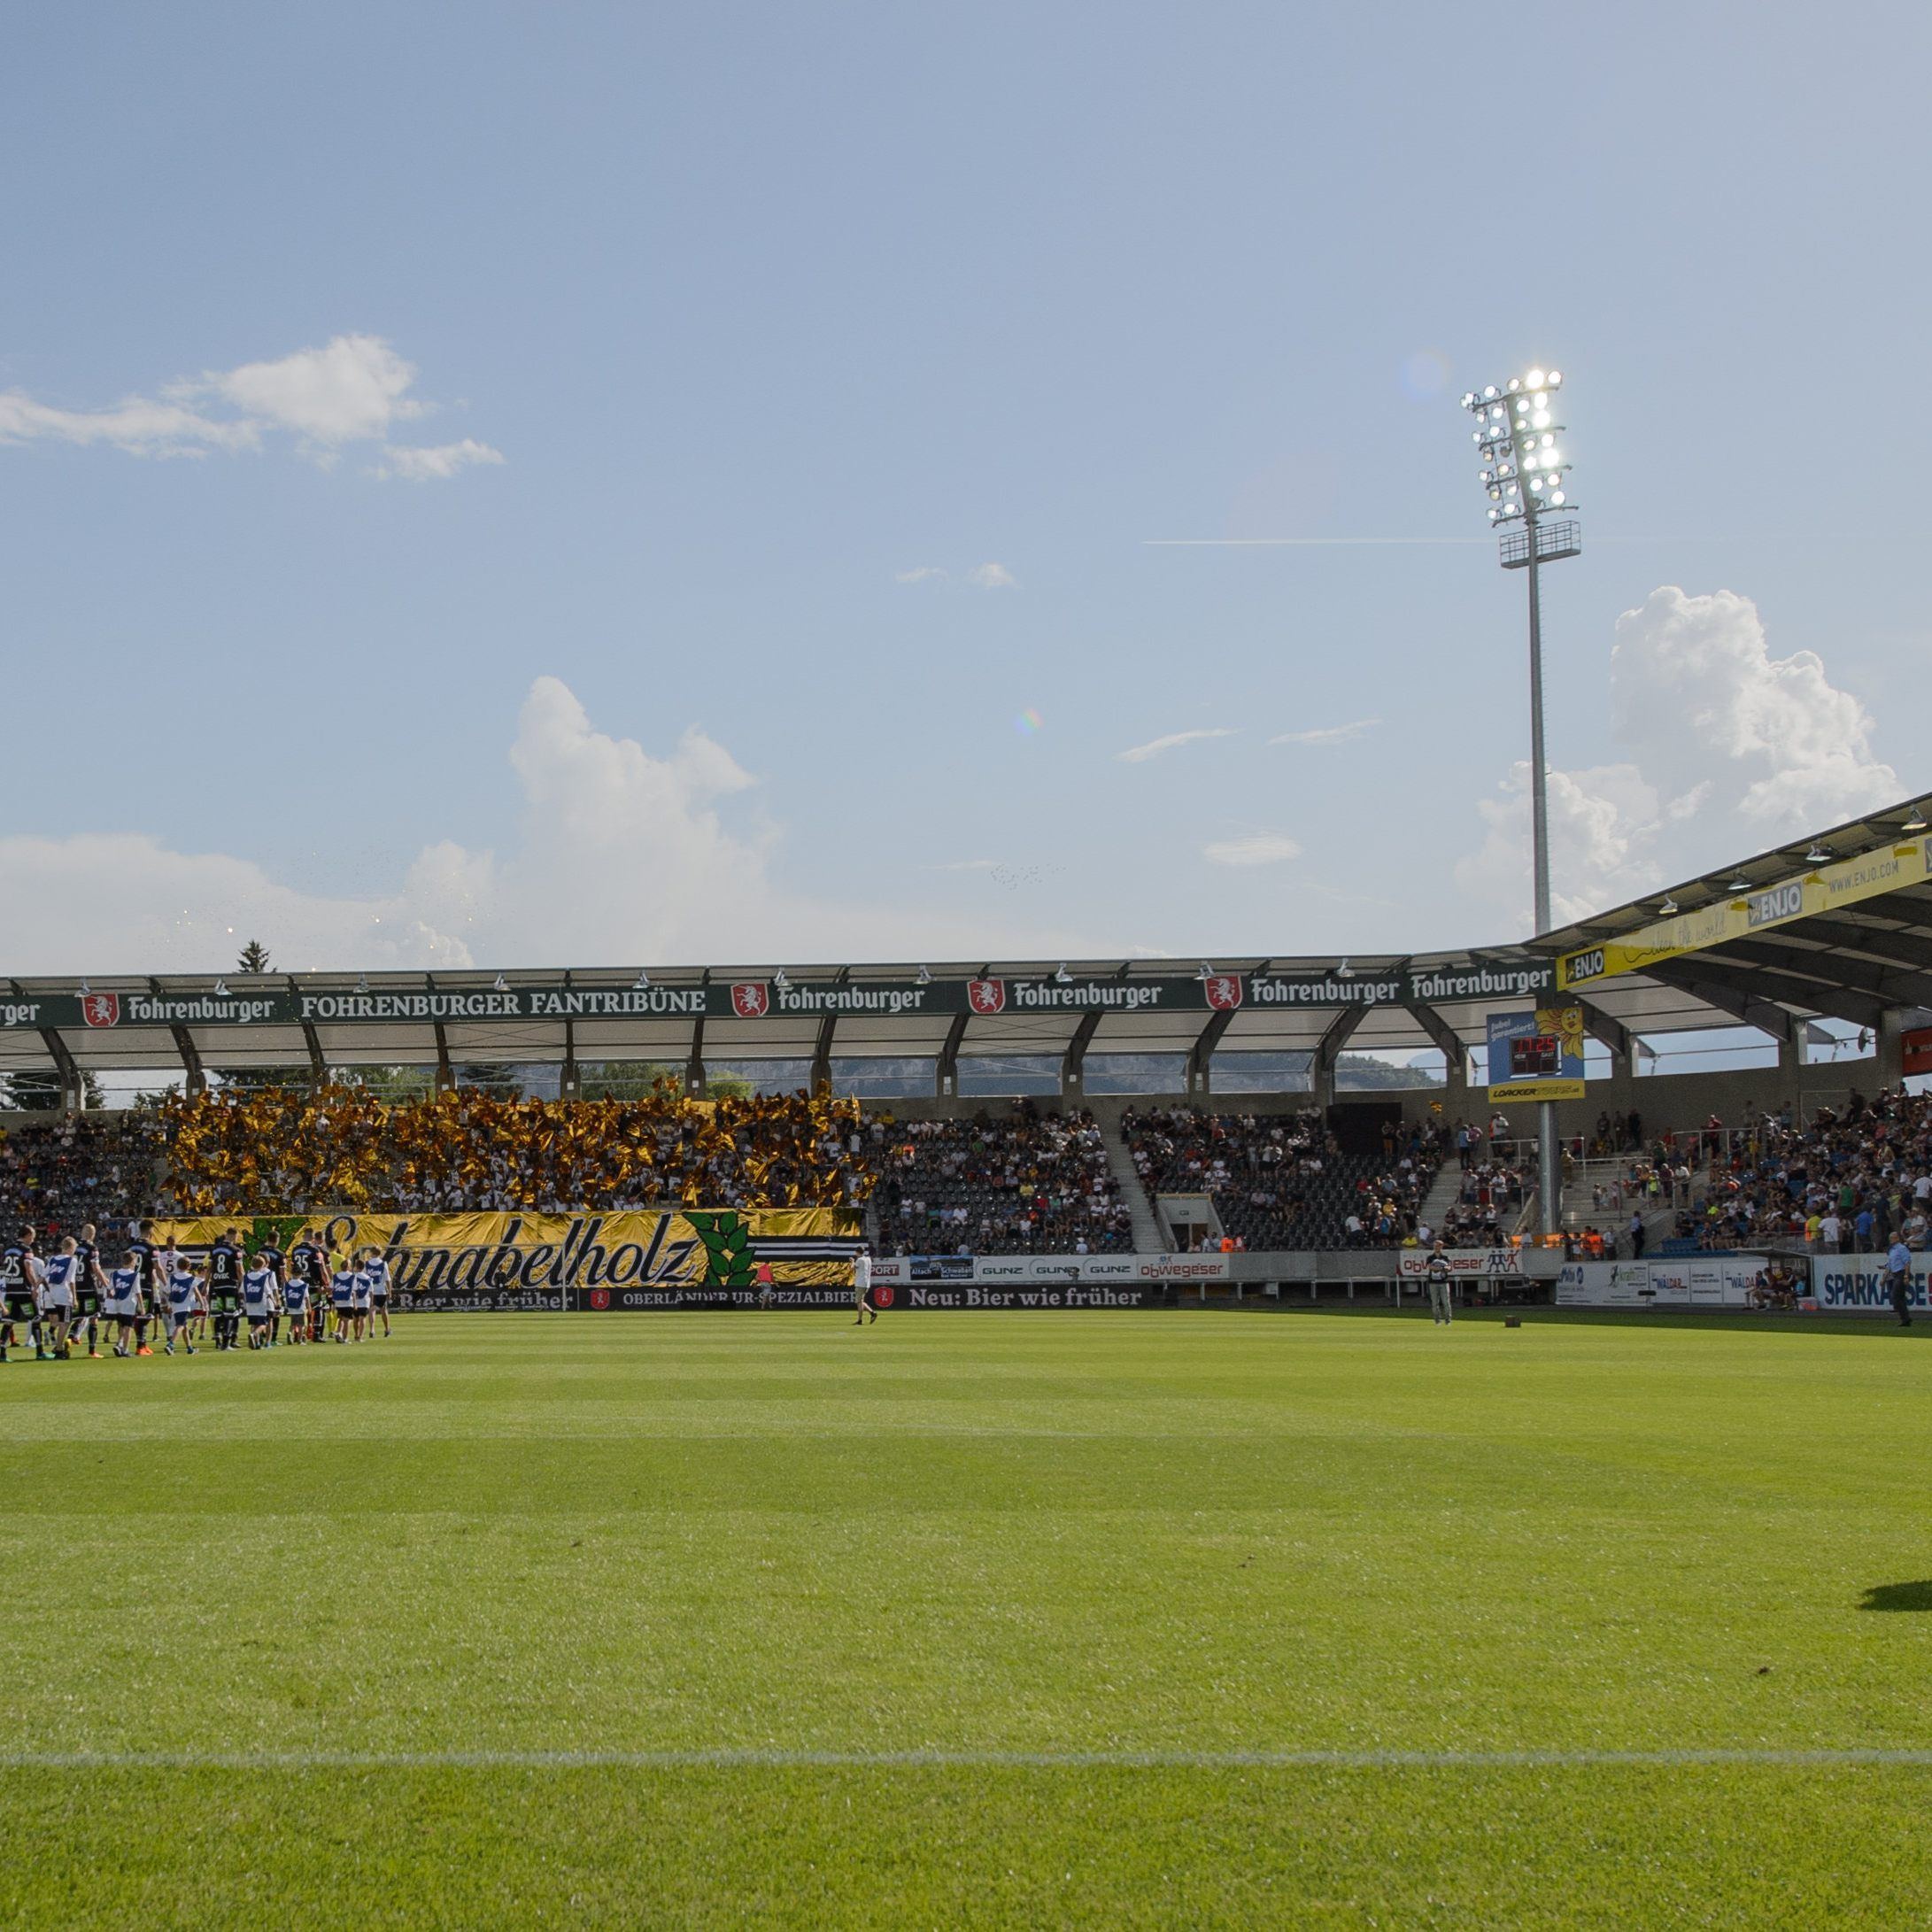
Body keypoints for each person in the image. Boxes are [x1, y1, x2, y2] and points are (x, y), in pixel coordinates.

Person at [0, 1225, 46, 1363]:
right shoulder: (26, 1250)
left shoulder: (8, 1249)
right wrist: (35, 1287)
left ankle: (2, 1354)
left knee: (8, 1322)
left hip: (11, 1290)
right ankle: (40, 1352)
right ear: (26, 1235)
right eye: (32, 1236)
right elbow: (28, 1269)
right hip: (24, 1291)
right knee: (36, 1319)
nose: (33, 1240)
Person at [39, 1238, 81, 1359]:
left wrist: (35, 1288)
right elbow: (71, 1281)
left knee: (62, 1321)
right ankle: (59, 1349)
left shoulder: (53, 1259)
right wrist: (75, 1298)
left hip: (52, 1293)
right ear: (71, 1248)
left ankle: (58, 1346)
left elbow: (43, 1276)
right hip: (64, 1293)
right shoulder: (72, 1261)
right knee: (65, 1322)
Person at [207, 1227, 243, 1351]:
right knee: (230, 1313)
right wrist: (242, 1285)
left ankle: (218, 1340)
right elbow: (239, 1270)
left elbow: (209, 1268)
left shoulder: (214, 1249)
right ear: (234, 1235)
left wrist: (206, 1284)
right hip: (230, 1285)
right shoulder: (236, 1251)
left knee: (218, 1313)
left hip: (217, 1285)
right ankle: (225, 1343)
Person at [103, 1256, 143, 1357]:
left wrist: (113, 1295)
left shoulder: (116, 1273)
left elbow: (109, 1288)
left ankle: (119, 1344)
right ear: (131, 1262)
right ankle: (125, 1350)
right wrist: (142, 1306)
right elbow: (138, 1292)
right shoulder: (134, 1275)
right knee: (128, 1327)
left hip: (118, 1303)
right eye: (135, 1261)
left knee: (121, 1325)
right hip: (129, 1302)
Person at [163, 1256, 203, 1356]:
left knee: (184, 1326)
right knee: (180, 1325)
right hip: (185, 1305)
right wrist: (203, 1304)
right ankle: (170, 1345)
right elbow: (197, 1292)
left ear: (177, 1266)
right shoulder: (190, 1278)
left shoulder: (172, 1278)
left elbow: (166, 1291)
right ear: (188, 1266)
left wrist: (170, 1302)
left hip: (175, 1305)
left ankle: (190, 1348)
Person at [241, 1256, 275, 1348]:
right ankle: (254, 1334)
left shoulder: (246, 1277)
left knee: (254, 1323)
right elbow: (268, 1292)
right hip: (261, 1303)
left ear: (251, 1264)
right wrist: (275, 1302)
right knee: (264, 1323)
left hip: (249, 1304)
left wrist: (244, 1302)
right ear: (262, 1265)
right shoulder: (263, 1277)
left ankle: (256, 1343)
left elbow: (242, 1291)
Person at [363, 1245, 392, 1338]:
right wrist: (390, 1291)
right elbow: (388, 1279)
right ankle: (387, 1330)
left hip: (370, 1291)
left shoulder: (367, 1263)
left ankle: (372, 1330)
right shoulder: (383, 1264)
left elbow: (364, 1278)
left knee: (371, 1310)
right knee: (384, 1310)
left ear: (372, 1253)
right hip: (381, 1290)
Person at [1885, 1235, 1913, 1328]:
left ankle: (1905, 1318)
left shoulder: (1902, 1248)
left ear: (1897, 1238)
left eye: (1892, 1238)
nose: (1890, 1240)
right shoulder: (1892, 1250)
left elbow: (1907, 1262)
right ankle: (1906, 1319)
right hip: (1896, 1274)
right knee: (1900, 1297)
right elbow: (1890, 1264)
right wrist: (1884, 1277)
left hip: (1901, 1274)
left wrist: (1906, 1275)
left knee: (1895, 1295)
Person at [1424, 1242, 1454, 1326]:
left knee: (1446, 1302)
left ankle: (1448, 1320)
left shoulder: (1445, 1257)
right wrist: (1442, 1268)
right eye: (1435, 1246)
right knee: (1434, 1303)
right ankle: (1437, 1320)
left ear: (1441, 1247)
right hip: (1433, 1282)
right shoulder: (1430, 1257)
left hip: (1444, 1282)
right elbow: (1431, 1267)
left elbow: (1449, 1268)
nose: (1436, 1247)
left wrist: (1444, 1269)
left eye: (1438, 1246)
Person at [852, 1246, 876, 1325]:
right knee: (861, 1301)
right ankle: (872, 1313)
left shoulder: (859, 1260)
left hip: (860, 1283)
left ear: (857, 1252)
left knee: (859, 1302)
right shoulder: (868, 1259)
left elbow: (852, 1267)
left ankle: (860, 1320)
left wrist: (852, 1261)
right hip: (866, 1283)